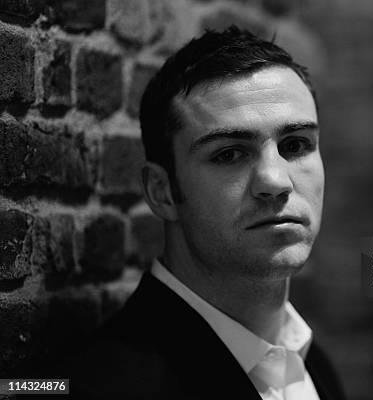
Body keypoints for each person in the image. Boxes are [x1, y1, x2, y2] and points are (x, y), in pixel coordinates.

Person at [50, 26, 345, 400]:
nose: (275, 181)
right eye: (229, 154)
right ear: (163, 192)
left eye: (296, 144)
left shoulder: (310, 362)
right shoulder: (99, 387)